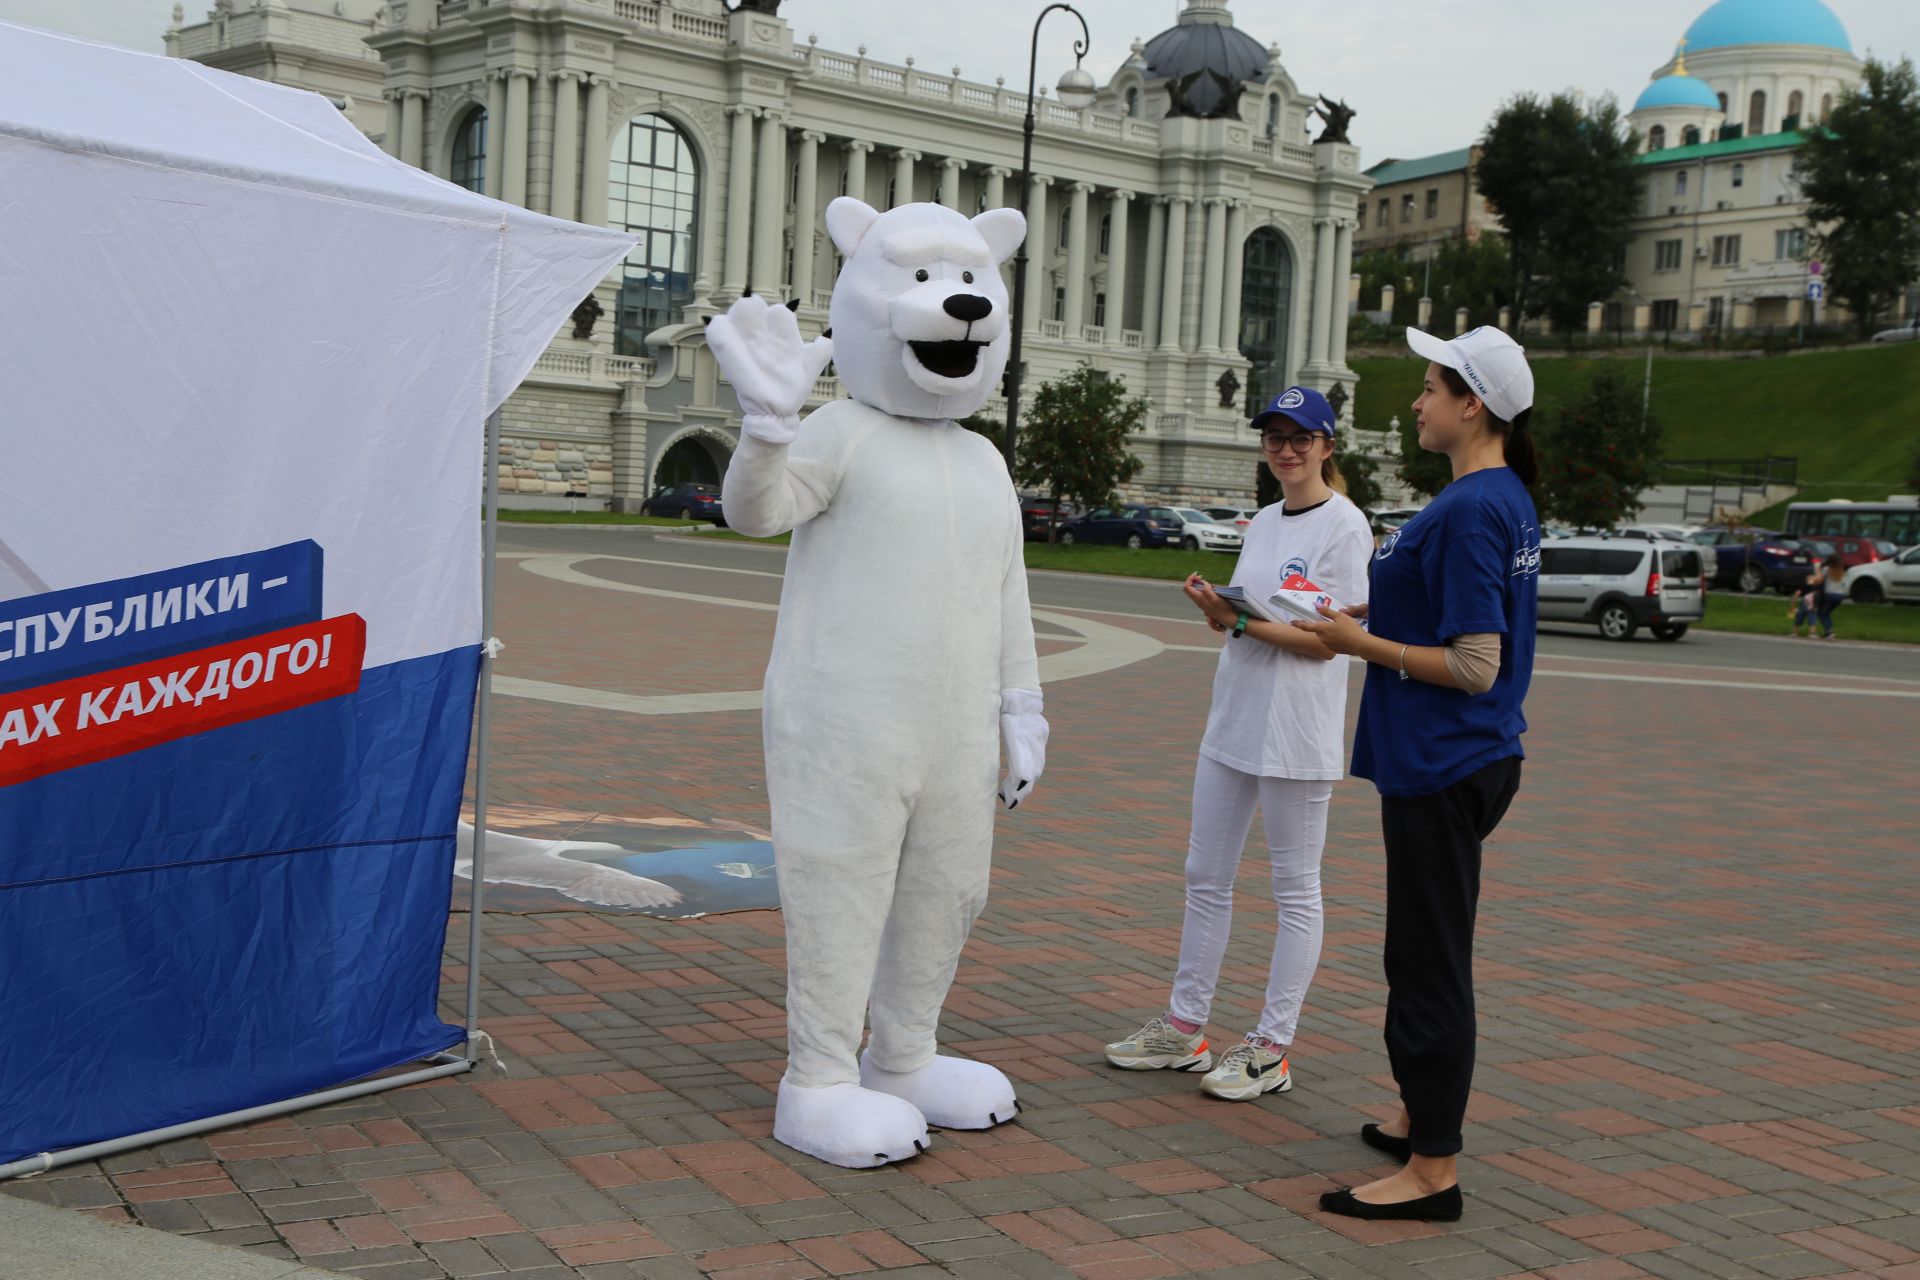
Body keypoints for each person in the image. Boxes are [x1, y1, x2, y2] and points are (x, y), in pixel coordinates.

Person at [1295, 327, 1541, 1223]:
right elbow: (1453, 608)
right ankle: (1418, 1115)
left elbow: (1475, 660)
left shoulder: (1476, 505)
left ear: (1471, 404)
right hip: (1461, 755)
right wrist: (1374, 609)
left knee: (1428, 963)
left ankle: (1433, 1171)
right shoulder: (1501, 495)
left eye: (1430, 386)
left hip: (1447, 758)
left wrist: (1362, 643)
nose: (1416, 401)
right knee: (1423, 950)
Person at [1104, 387, 1373, 1103]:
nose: (1285, 449)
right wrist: (1221, 616)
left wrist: (1240, 622)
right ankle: (1185, 1026)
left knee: (1294, 890)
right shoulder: (1262, 522)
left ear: (1326, 446)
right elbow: (1248, 620)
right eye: (1274, 437)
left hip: (1297, 732)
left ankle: (1271, 1047)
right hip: (1234, 721)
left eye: (1299, 438)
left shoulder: (1345, 528)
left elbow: (1328, 644)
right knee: (1204, 876)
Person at [1808, 554, 1846, 639]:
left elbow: (1819, 580)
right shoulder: (1841, 571)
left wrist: (1816, 572)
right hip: (1840, 596)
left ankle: (1830, 631)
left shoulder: (1827, 569)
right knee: (1826, 613)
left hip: (1830, 594)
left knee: (1821, 613)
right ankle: (1828, 631)